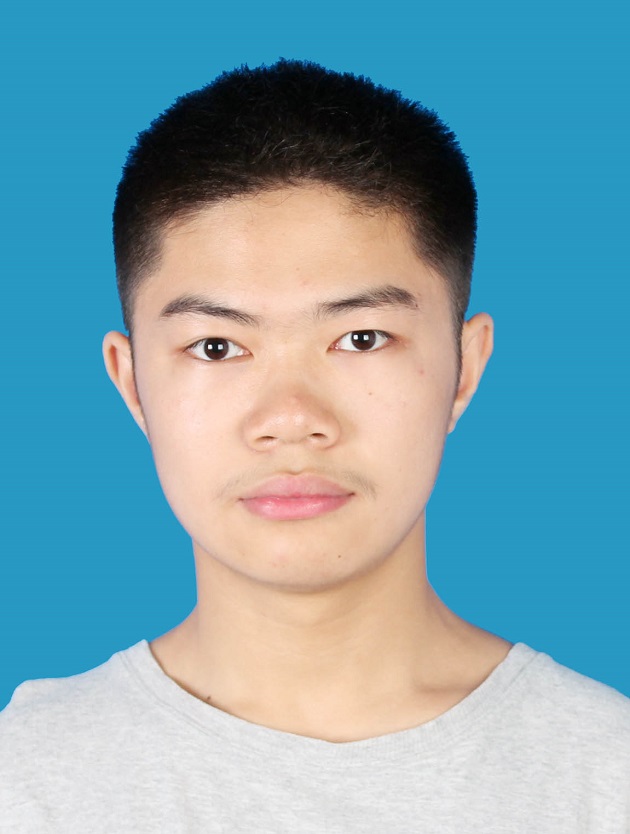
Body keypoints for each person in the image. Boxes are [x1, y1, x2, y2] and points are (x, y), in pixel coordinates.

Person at [1, 58, 628, 833]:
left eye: (361, 338)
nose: (291, 417)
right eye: (217, 347)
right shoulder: (26, 781)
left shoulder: (607, 777)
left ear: (465, 367)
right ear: (131, 384)